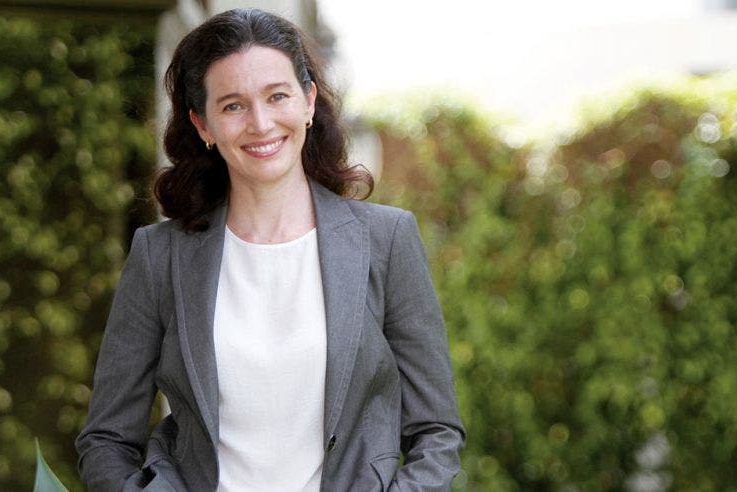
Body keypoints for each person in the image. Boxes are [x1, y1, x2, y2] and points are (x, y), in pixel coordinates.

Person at [75, 8, 464, 491]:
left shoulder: (385, 240)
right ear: (203, 125)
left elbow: (436, 433)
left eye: (276, 96)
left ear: (308, 102)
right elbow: (107, 439)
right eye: (233, 105)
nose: (260, 123)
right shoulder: (160, 255)